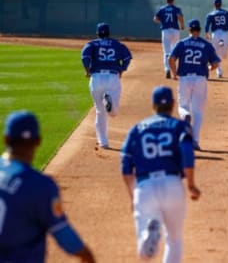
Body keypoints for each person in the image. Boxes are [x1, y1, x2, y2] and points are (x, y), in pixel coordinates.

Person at [0, 110, 96, 263]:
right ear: (38, 141)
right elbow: (64, 234)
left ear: (6, 139)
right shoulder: (39, 185)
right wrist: (87, 255)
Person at [121, 86, 201, 262]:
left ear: (153, 105)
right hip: (172, 184)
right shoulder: (180, 126)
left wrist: (132, 196)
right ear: (173, 104)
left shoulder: (137, 129)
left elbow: (126, 168)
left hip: (145, 187)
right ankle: (153, 233)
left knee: (144, 253)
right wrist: (191, 185)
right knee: (174, 240)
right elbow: (187, 152)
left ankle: (147, 236)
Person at [169, 19, 221, 151]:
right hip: (200, 79)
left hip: (185, 78)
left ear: (189, 30)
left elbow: (171, 58)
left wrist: (174, 73)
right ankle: (195, 141)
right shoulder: (206, 45)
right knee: (198, 111)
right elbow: (215, 64)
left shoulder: (182, 43)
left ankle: (185, 115)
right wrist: (209, 68)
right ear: (199, 30)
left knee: (183, 106)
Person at [81, 22, 132, 149]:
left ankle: (103, 142)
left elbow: (85, 56)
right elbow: (127, 57)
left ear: (97, 33)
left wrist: (87, 70)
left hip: (96, 78)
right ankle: (110, 103)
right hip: (112, 77)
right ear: (109, 33)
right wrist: (122, 69)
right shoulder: (117, 44)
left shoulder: (92, 44)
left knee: (100, 112)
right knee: (113, 112)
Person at [153, 0, 185, 79]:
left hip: (166, 31)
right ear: (173, 0)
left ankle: (167, 69)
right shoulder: (176, 9)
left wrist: (162, 20)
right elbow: (179, 16)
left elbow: (155, 19)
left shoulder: (162, 9)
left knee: (166, 52)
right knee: (175, 51)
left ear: (166, 0)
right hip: (175, 31)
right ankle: (175, 69)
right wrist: (182, 24)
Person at [204, 0, 228, 78]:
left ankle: (218, 69)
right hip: (224, 33)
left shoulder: (211, 14)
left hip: (215, 34)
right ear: (221, 4)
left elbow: (207, 25)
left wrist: (206, 32)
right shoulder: (226, 13)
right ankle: (219, 71)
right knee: (224, 54)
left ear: (214, 5)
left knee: (215, 53)